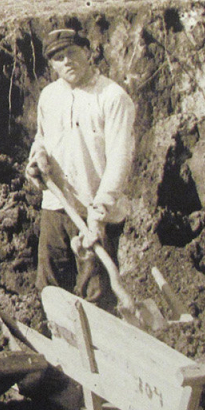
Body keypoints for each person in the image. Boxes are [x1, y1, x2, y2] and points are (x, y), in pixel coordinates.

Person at [25, 28, 135, 310]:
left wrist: (99, 213)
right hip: (56, 207)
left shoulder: (112, 97)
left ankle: (102, 348)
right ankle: (61, 349)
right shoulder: (49, 97)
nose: (67, 61)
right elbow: (42, 138)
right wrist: (37, 157)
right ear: (51, 64)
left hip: (95, 211)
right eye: (58, 57)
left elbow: (120, 159)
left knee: (97, 295)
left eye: (72, 53)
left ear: (87, 52)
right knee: (50, 289)